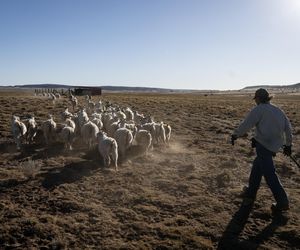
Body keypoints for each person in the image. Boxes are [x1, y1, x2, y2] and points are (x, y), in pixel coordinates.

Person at [231, 88, 292, 213]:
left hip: (264, 145)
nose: (255, 101)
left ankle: (282, 201)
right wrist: (288, 145)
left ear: (258, 98)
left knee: (269, 174)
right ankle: (250, 192)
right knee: (257, 166)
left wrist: (236, 134)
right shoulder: (278, 110)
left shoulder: (259, 109)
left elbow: (247, 124)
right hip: (273, 145)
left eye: (256, 99)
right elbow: (288, 128)